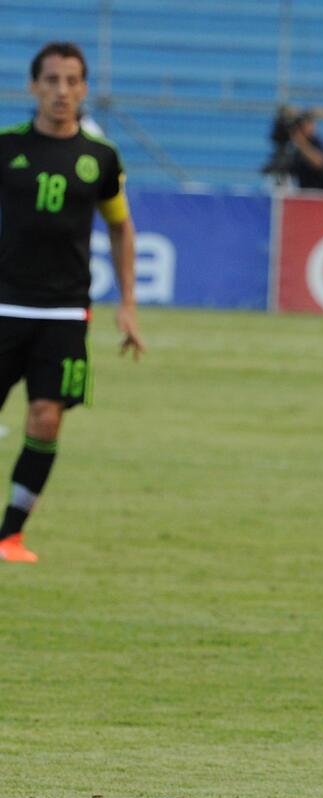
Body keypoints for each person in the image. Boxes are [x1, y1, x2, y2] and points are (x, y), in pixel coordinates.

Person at [0, 41, 143, 564]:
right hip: (4, 307)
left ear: (84, 89)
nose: (62, 91)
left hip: (64, 313)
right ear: (33, 86)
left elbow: (121, 227)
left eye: (72, 81)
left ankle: (9, 535)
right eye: (52, 80)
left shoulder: (100, 158)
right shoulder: (6, 147)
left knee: (46, 418)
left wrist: (127, 303)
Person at [288, 110, 323, 191]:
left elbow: (320, 163)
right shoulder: (295, 148)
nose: (311, 127)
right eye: (307, 124)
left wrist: (302, 144)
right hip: (303, 193)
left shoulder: (318, 142)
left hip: (320, 195)